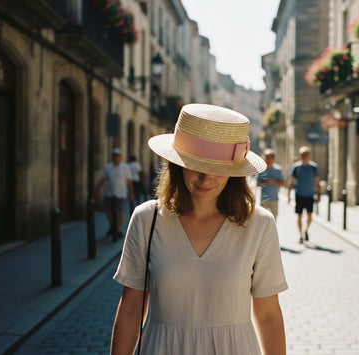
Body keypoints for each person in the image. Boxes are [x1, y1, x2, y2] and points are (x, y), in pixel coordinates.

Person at [111, 104, 288, 355]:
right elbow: (130, 308)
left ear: (234, 172)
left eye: (218, 169)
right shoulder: (147, 219)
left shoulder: (259, 224)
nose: (205, 179)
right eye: (195, 165)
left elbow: (269, 315)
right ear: (177, 164)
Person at [93, 148, 134, 240]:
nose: (116, 158)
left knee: (121, 211)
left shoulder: (125, 167)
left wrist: (131, 192)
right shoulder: (108, 167)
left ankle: (119, 229)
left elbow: (129, 181)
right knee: (108, 211)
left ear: (120, 157)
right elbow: (103, 179)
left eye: (117, 156)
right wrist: (97, 190)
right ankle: (112, 226)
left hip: (121, 194)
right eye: (114, 156)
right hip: (110, 193)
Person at [287, 146, 321, 244]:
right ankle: (301, 235)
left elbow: (318, 182)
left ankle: (306, 230)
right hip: (299, 195)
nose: (304, 156)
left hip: (310, 195)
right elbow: (291, 181)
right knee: (299, 216)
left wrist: (319, 195)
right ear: (300, 155)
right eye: (302, 154)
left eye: (305, 154)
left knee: (310, 217)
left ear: (309, 155)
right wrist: (289, 195)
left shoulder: (314, 167)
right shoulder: (296, 167)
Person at [256, 149, 285, 220]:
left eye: (269, 157)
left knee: (274, 220)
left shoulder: (278, 169)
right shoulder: (261, 169)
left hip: (274, 199)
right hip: (263, 199)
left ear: (273, 158)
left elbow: (283, 183)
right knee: (262, 220)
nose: (268, 159)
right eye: (266, 157)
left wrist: (272, 182)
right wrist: (264, 183)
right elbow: (256, 183)